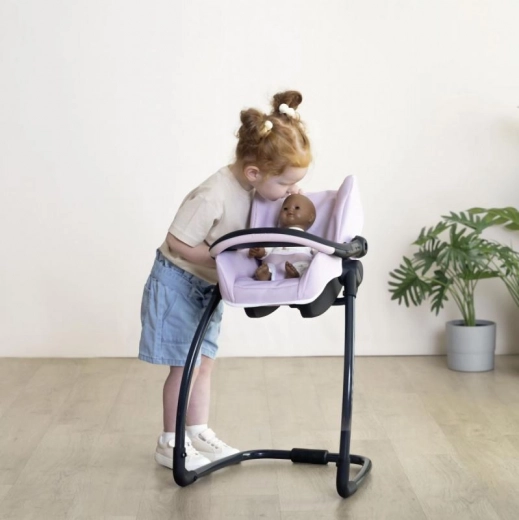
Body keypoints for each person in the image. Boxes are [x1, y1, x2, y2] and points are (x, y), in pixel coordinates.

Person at [138, 90, 313, 471]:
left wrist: (290, 199)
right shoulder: (213, 195)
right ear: (254, 173)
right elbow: (178, 241)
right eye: (286, 184)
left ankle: (197, 430)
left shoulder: (256, 188)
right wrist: (222, 261)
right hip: (178, 282)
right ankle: (170, 441)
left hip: (207, 287)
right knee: (184, 366)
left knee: (204, 364)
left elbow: (265, 216)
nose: (290, 191)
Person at [248, 194, 317, 281]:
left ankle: (294, 275)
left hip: (298, 260)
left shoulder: (309, 238)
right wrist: (260, 251)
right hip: (274, 260)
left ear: (310, 217)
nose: (290, 210)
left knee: (305, 267)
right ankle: (267, 275)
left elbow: (318, 251)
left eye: (297, 208)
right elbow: (268, 247)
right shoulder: (276, 234)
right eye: (285, 208)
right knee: (268, 266)